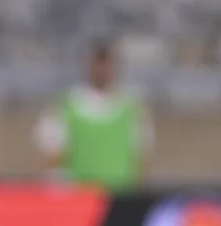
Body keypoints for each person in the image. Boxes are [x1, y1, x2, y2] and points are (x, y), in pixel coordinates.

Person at [34, 40, 154, 190]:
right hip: (82, 200)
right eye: (97, 63)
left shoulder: (132, 108)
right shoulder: (65, 107)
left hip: (120, 199)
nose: (102, 70)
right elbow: (51, 158)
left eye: (107, 64)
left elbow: (141, 159)